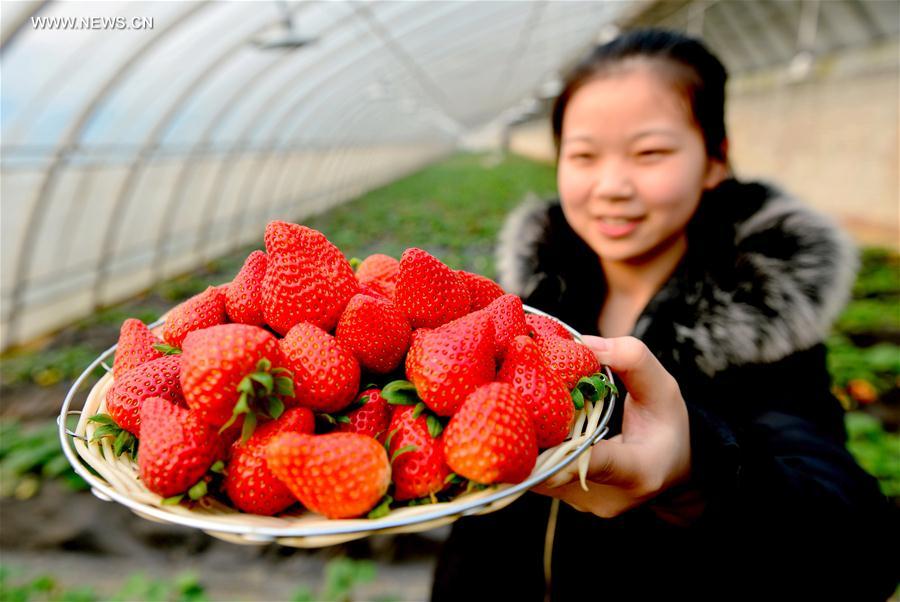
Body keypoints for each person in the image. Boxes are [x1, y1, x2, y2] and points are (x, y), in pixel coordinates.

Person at [430, 28, 898, 601]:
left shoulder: (764, 329)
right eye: (583, 155)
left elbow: (857, 552)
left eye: (650, 153)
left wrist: (696, 472)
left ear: (714, 160)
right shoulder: (525, 313)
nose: (612, 186)